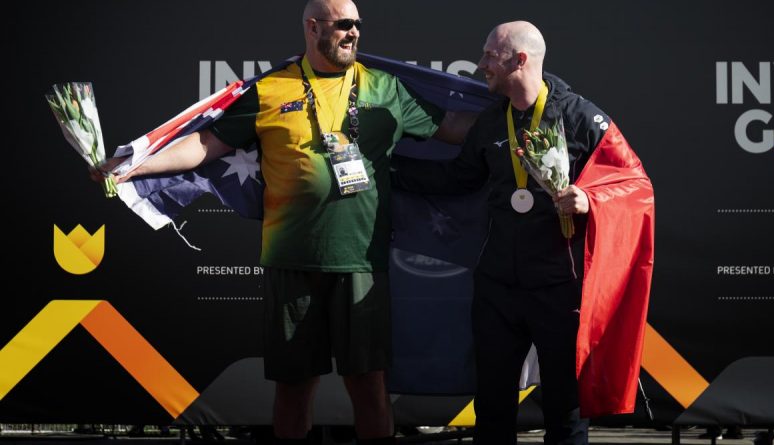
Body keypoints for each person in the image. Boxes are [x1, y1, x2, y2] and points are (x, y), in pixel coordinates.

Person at [92, 1, 473, 444]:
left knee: (369, 387)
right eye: (343, 25)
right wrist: (135, 167)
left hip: (362, 265)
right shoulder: (271, 89)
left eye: (357, 26)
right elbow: (205, 144)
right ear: (313, 28)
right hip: (290, 262)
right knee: (293, 389)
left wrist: (521, 115)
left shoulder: (385, 88)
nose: (354, 33)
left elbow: (452, 127)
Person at [392, 21, 654, 445]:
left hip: (560, 289)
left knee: (563, 413)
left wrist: (590, 200)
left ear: (520, 60)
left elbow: (636, 184)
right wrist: (386, 171)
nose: (480, 66)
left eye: (489, 56)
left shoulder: (582, 117)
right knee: (492, 409)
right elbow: (457, 180)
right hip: (497, 287)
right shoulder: (491, 122)